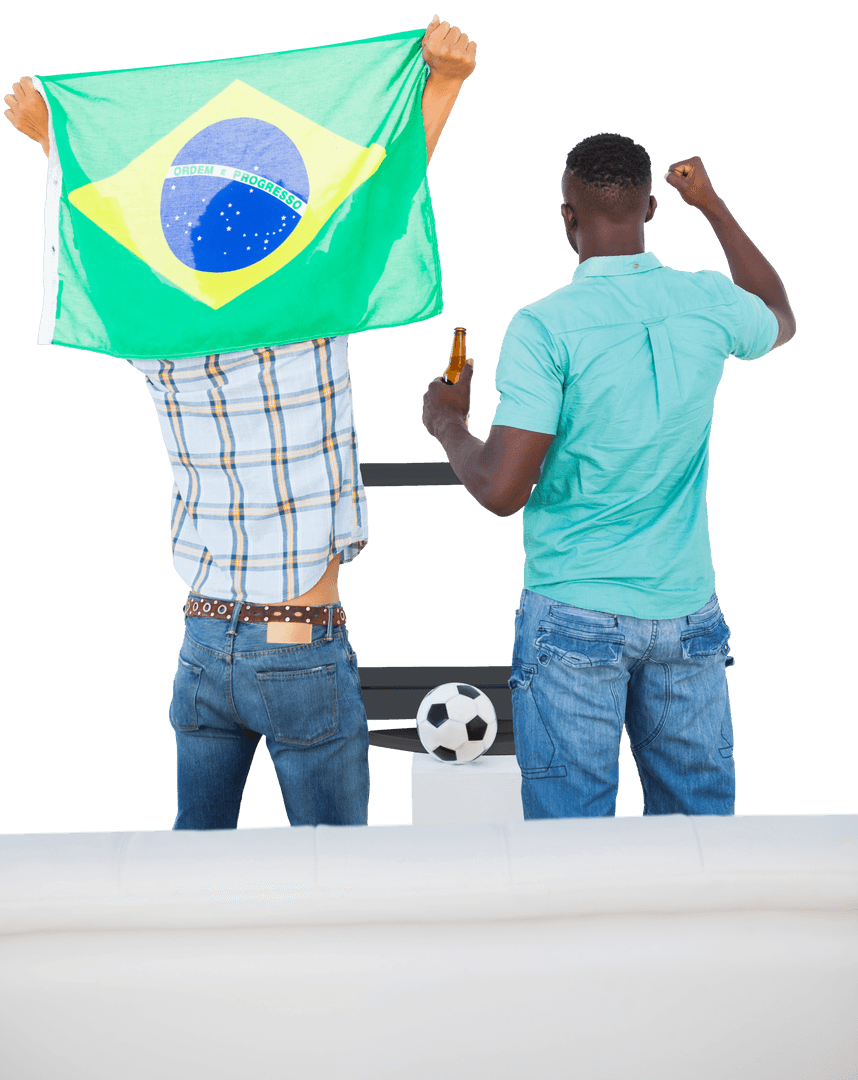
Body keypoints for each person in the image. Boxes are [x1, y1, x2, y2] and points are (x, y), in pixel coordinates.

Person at [5, 16, 478, 829]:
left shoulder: (155, 331)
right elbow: (388, 191)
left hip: (200, 644)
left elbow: (109, 235)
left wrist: (55, 142)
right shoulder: (313, 301)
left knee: (194, 879)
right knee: (335, 880)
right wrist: (444, 83)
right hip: (301, 647)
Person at [422, 132, 795, 819]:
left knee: (571, 854)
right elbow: (779, 315)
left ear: (566, 215)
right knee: (702, 847)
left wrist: (449, 421)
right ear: (651, 207)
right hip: (687, 616)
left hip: (573, 618)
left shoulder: (545, 329)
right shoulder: (709, 301)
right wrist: (712, 206)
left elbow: (501, 490)